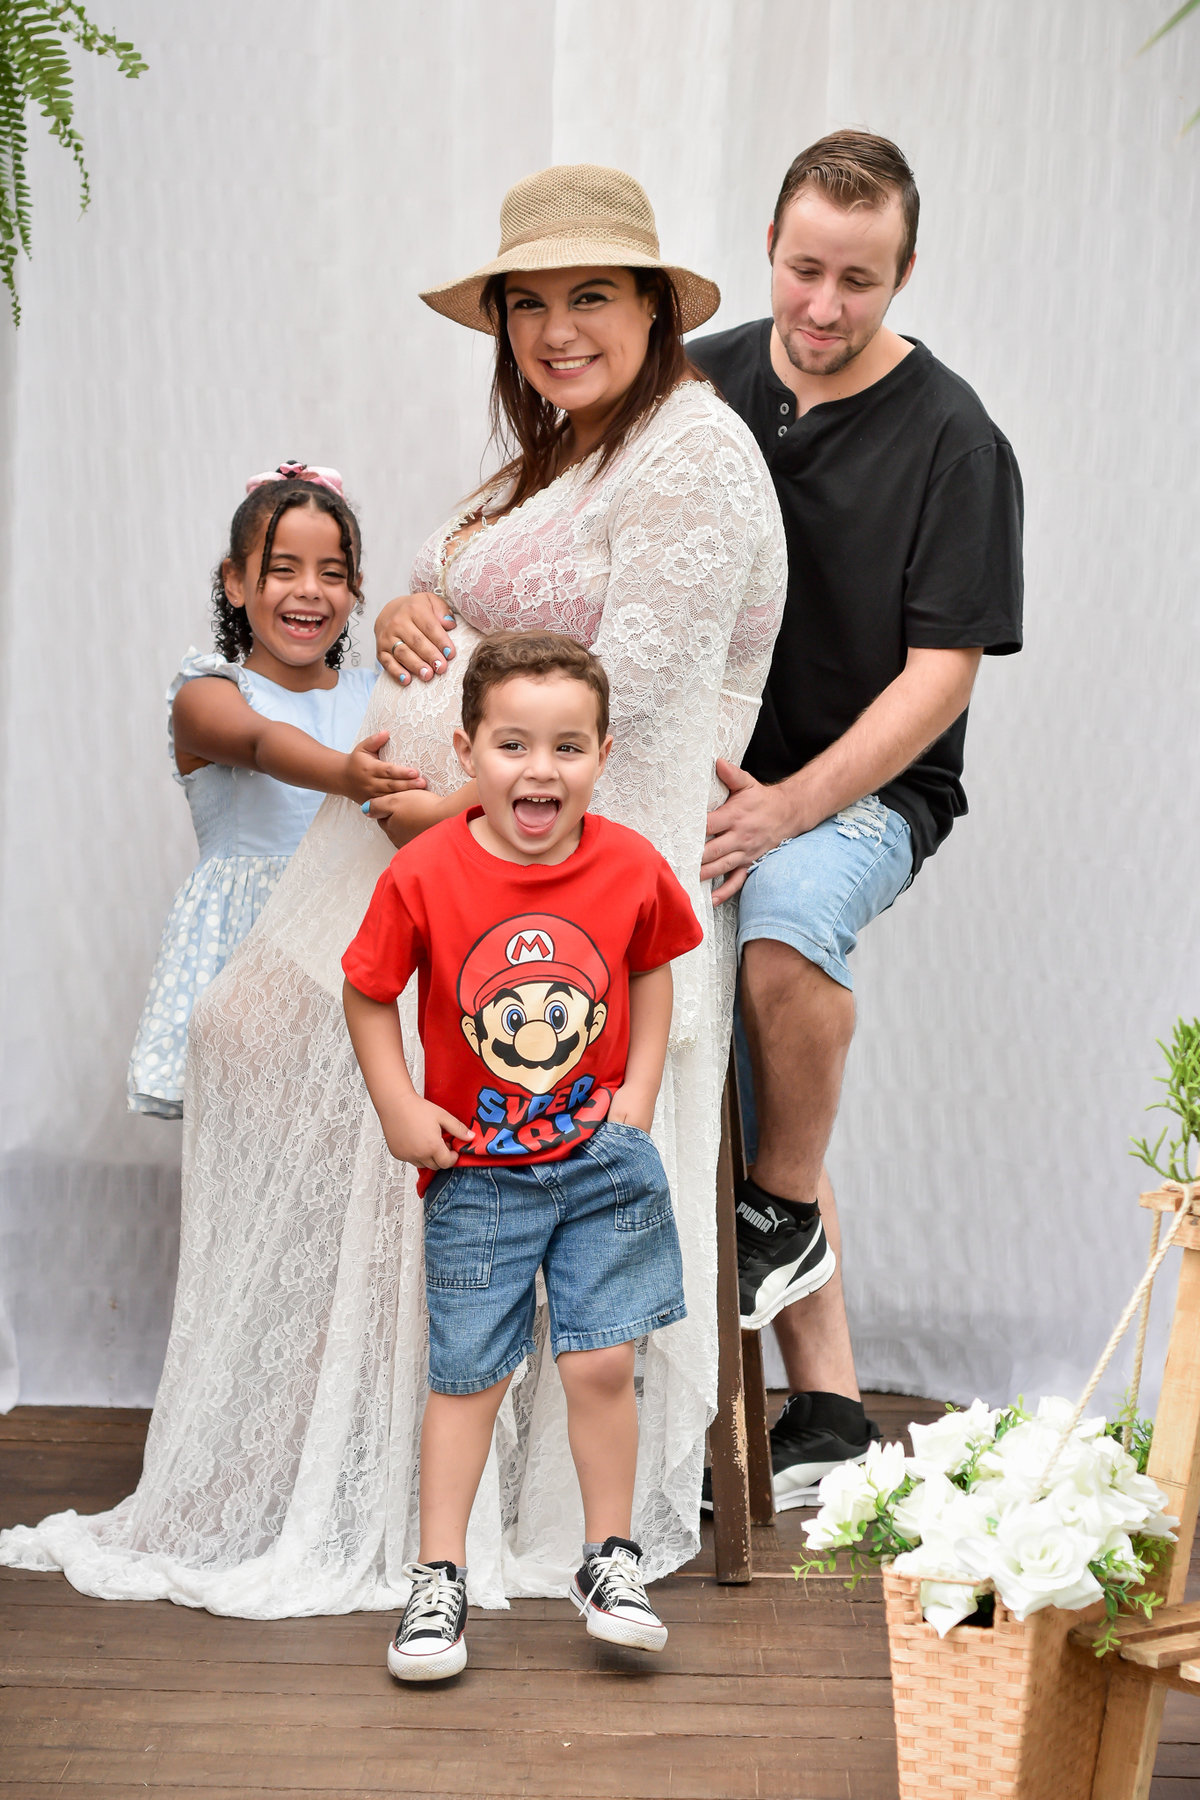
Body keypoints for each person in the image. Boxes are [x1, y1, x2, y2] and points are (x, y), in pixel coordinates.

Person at [0, 164, 785, 1617]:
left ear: (653, 308)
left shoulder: (691, 454)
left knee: (335, 1069)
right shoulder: (559, 450)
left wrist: (452, 810)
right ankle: (315, 1426)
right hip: (440, 852)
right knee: (241, 1037)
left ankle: (388, 1464)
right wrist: (423, 604)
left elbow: (624, 699)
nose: (555, 330)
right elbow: (464, 598)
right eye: (526, 305)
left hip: (556, 885)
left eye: (589, 296)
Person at [689, 131, 1024, 1509]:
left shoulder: (957, 440)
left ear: (907, 273)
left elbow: (941, 677)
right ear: (768, 247)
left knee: (783, 926)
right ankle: (826, 1409)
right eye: (803, 270)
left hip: (868, 794)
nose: (823, 307)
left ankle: (775, 1215)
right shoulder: (696, 383)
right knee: (724, 1049)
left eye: (860, 280)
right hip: (701, 783)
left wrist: (787, 810)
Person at [344, 632, 703, 1679]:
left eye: (566, 747)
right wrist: (399, 1106)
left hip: (600, 1164)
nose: (539, 769)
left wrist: (637, 1097)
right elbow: (368, 991)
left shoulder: (630, 865)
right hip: (478, 1174)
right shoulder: (426, 871)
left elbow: (652, 970)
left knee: (602, 1361)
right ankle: (439, 1578)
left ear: (602, 755)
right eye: (512, 744)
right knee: (469, 1377)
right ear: (467, 752)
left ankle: (610, 1558)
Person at [127, 464, 423, 1117]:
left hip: (356, 939)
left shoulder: (378, 694)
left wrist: (404, 611)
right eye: (283, 569)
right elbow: (262, 744)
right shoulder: (208, 694)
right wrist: (345, 776)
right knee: (260, 1128)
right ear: (234, 581)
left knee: (352, 1129)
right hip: (254, 946)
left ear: (356, 590)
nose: (309, 590)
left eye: (333, 573)